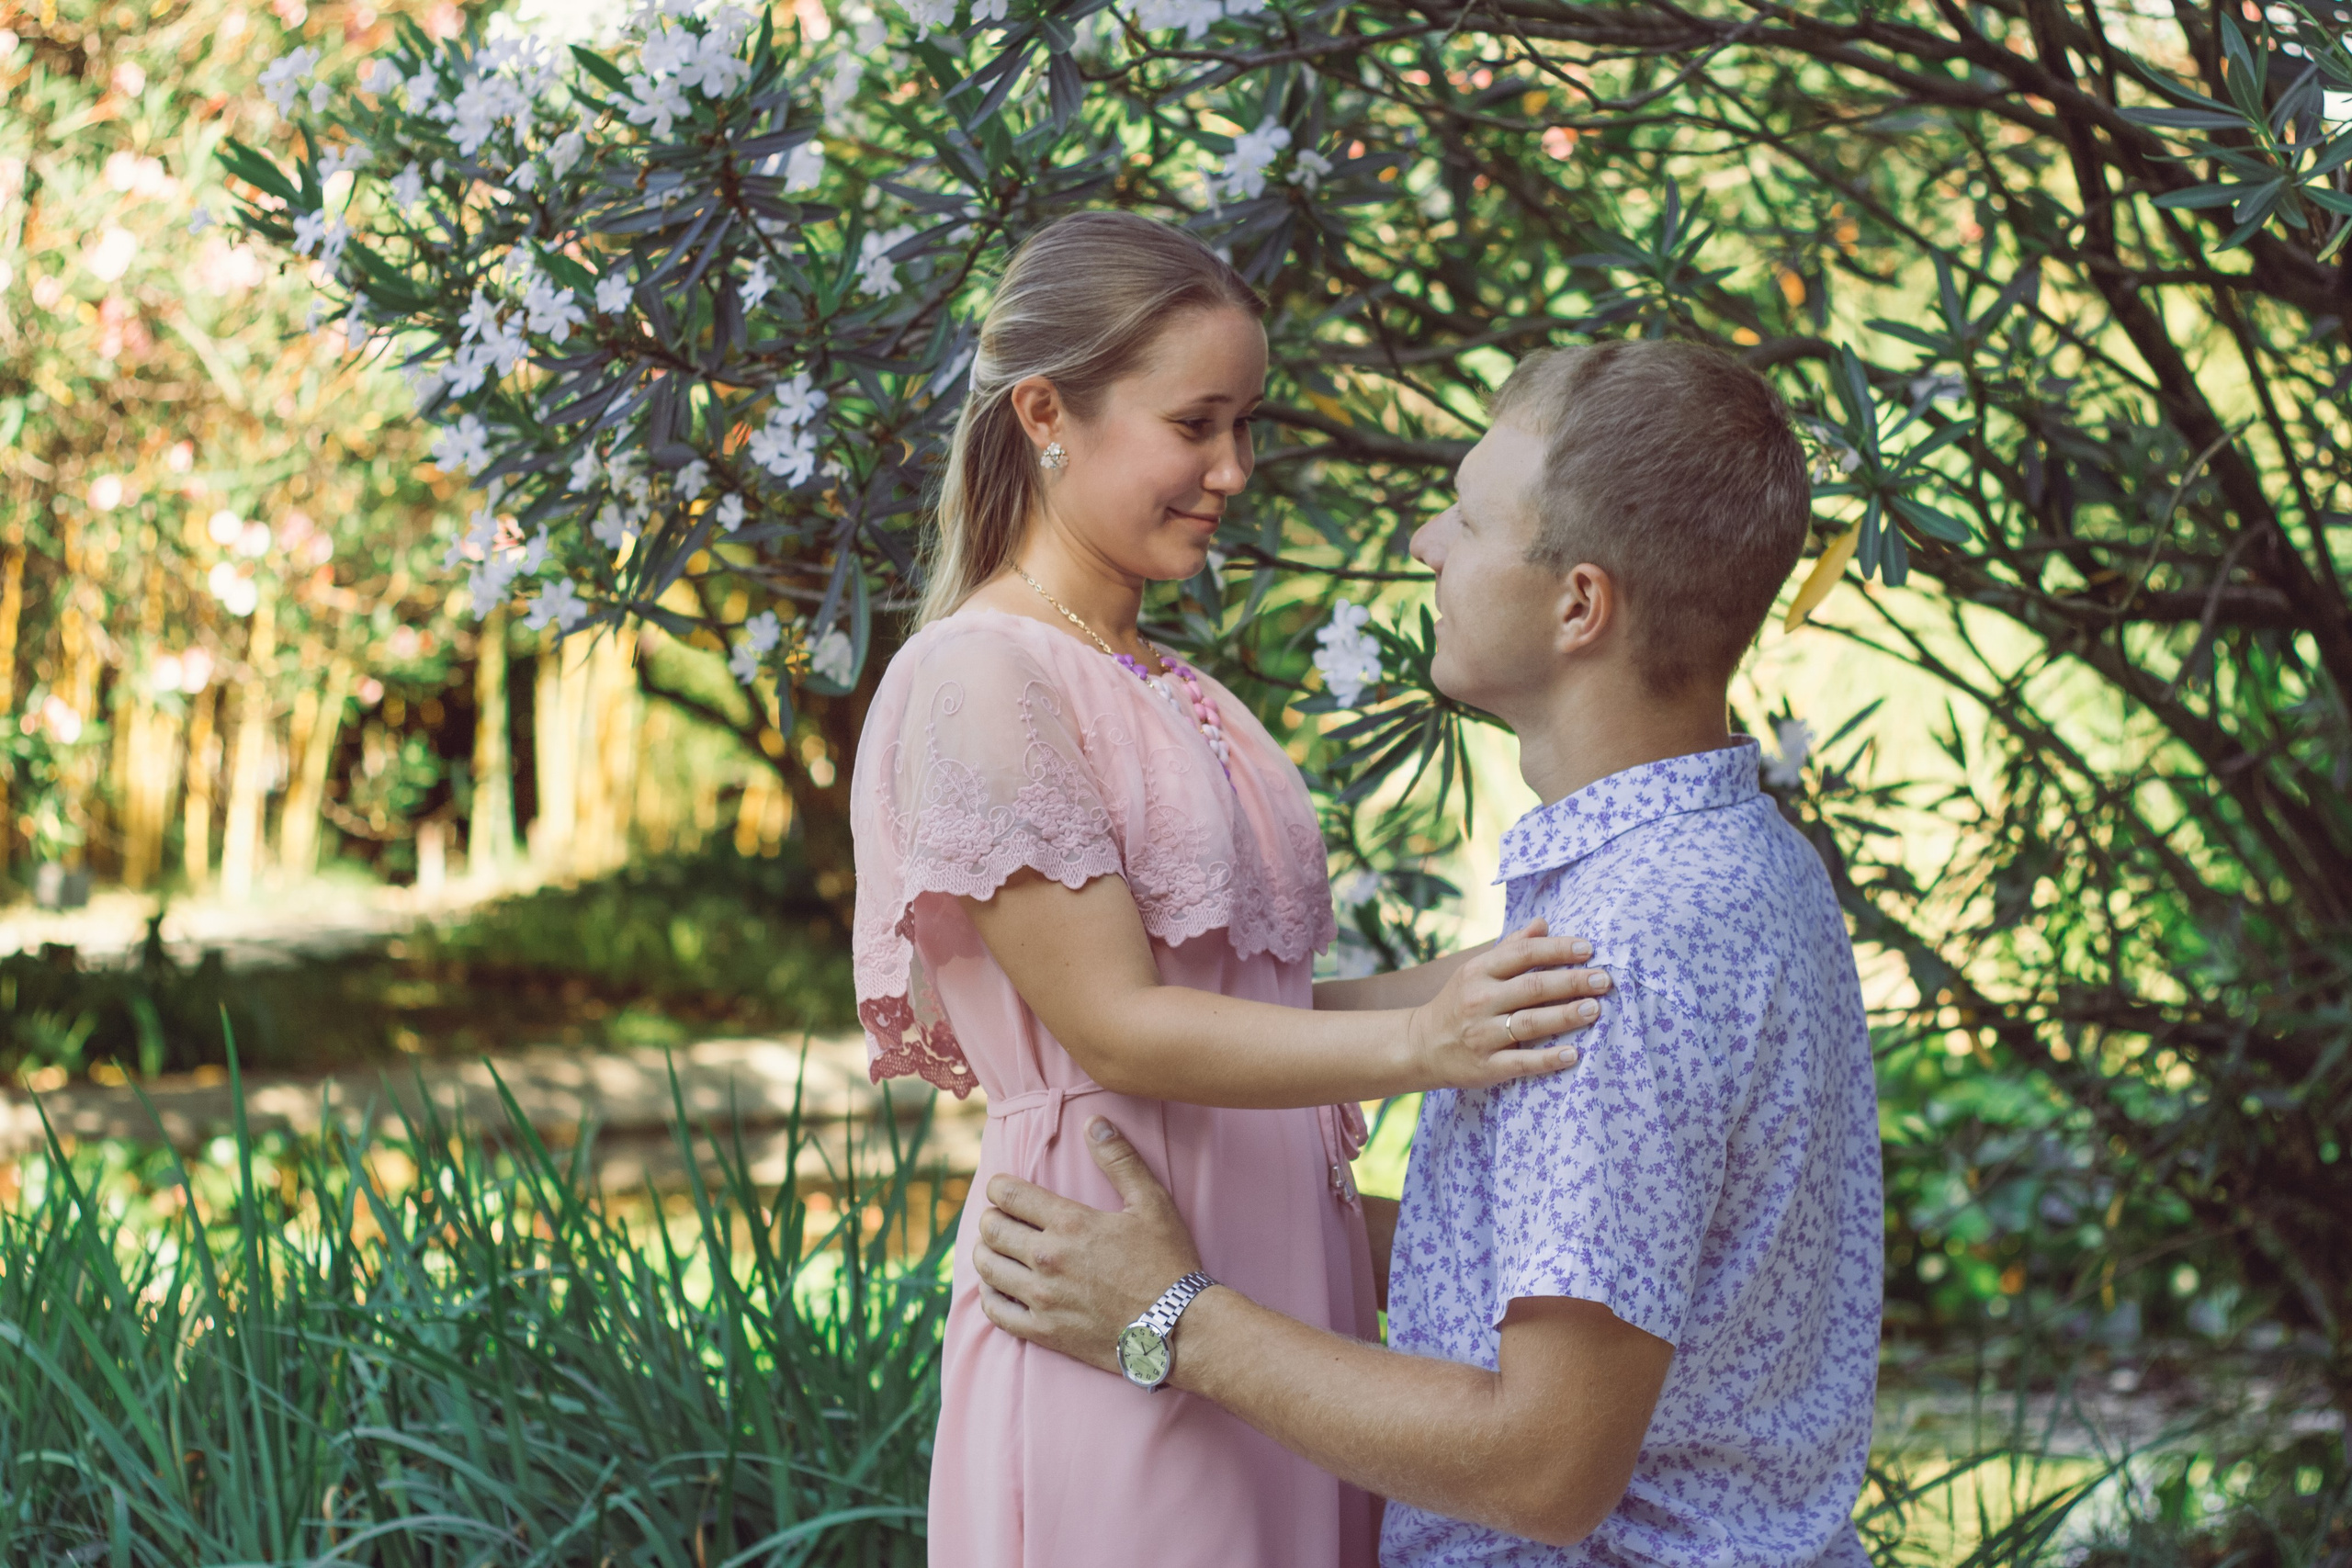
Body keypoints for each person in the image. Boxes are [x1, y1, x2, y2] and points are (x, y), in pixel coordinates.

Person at [970, 339, 1885, 1567]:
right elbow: (1625, 1266)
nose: (1426, 549)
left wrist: (1176, 1321)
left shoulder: (1627, 948)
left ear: (1580, 604)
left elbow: (1544, 1466)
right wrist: (1265, 1219)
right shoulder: (1738, 864)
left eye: (1465, 518)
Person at [849, 210, 1611, 1568]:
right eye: (1197, 424)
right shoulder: (985, 675)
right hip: (1115, 1298)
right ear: (1047, 413)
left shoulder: (1171, 683)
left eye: (1247, 426)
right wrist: (1421, 1047)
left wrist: (1494, 975)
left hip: (1265, 1310)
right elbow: (1118, 1028)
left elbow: (1245, 999)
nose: (1234, 470)